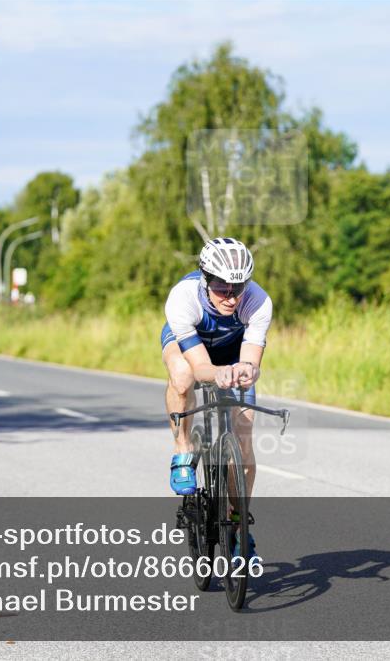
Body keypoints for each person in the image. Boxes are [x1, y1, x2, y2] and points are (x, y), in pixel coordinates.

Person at [161, 237, 272, 557]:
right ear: (205, 279)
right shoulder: (183, 298)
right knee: (182, 377)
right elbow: (200, 367)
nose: (231, 297)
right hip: (191, 347)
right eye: (222, 288)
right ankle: (182, 452)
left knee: (244, 442)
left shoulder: (258, 301)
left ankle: (239, 527)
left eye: (238, 288)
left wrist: (248, 372)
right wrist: (216, 373)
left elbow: (251, 359)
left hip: (232, 347)